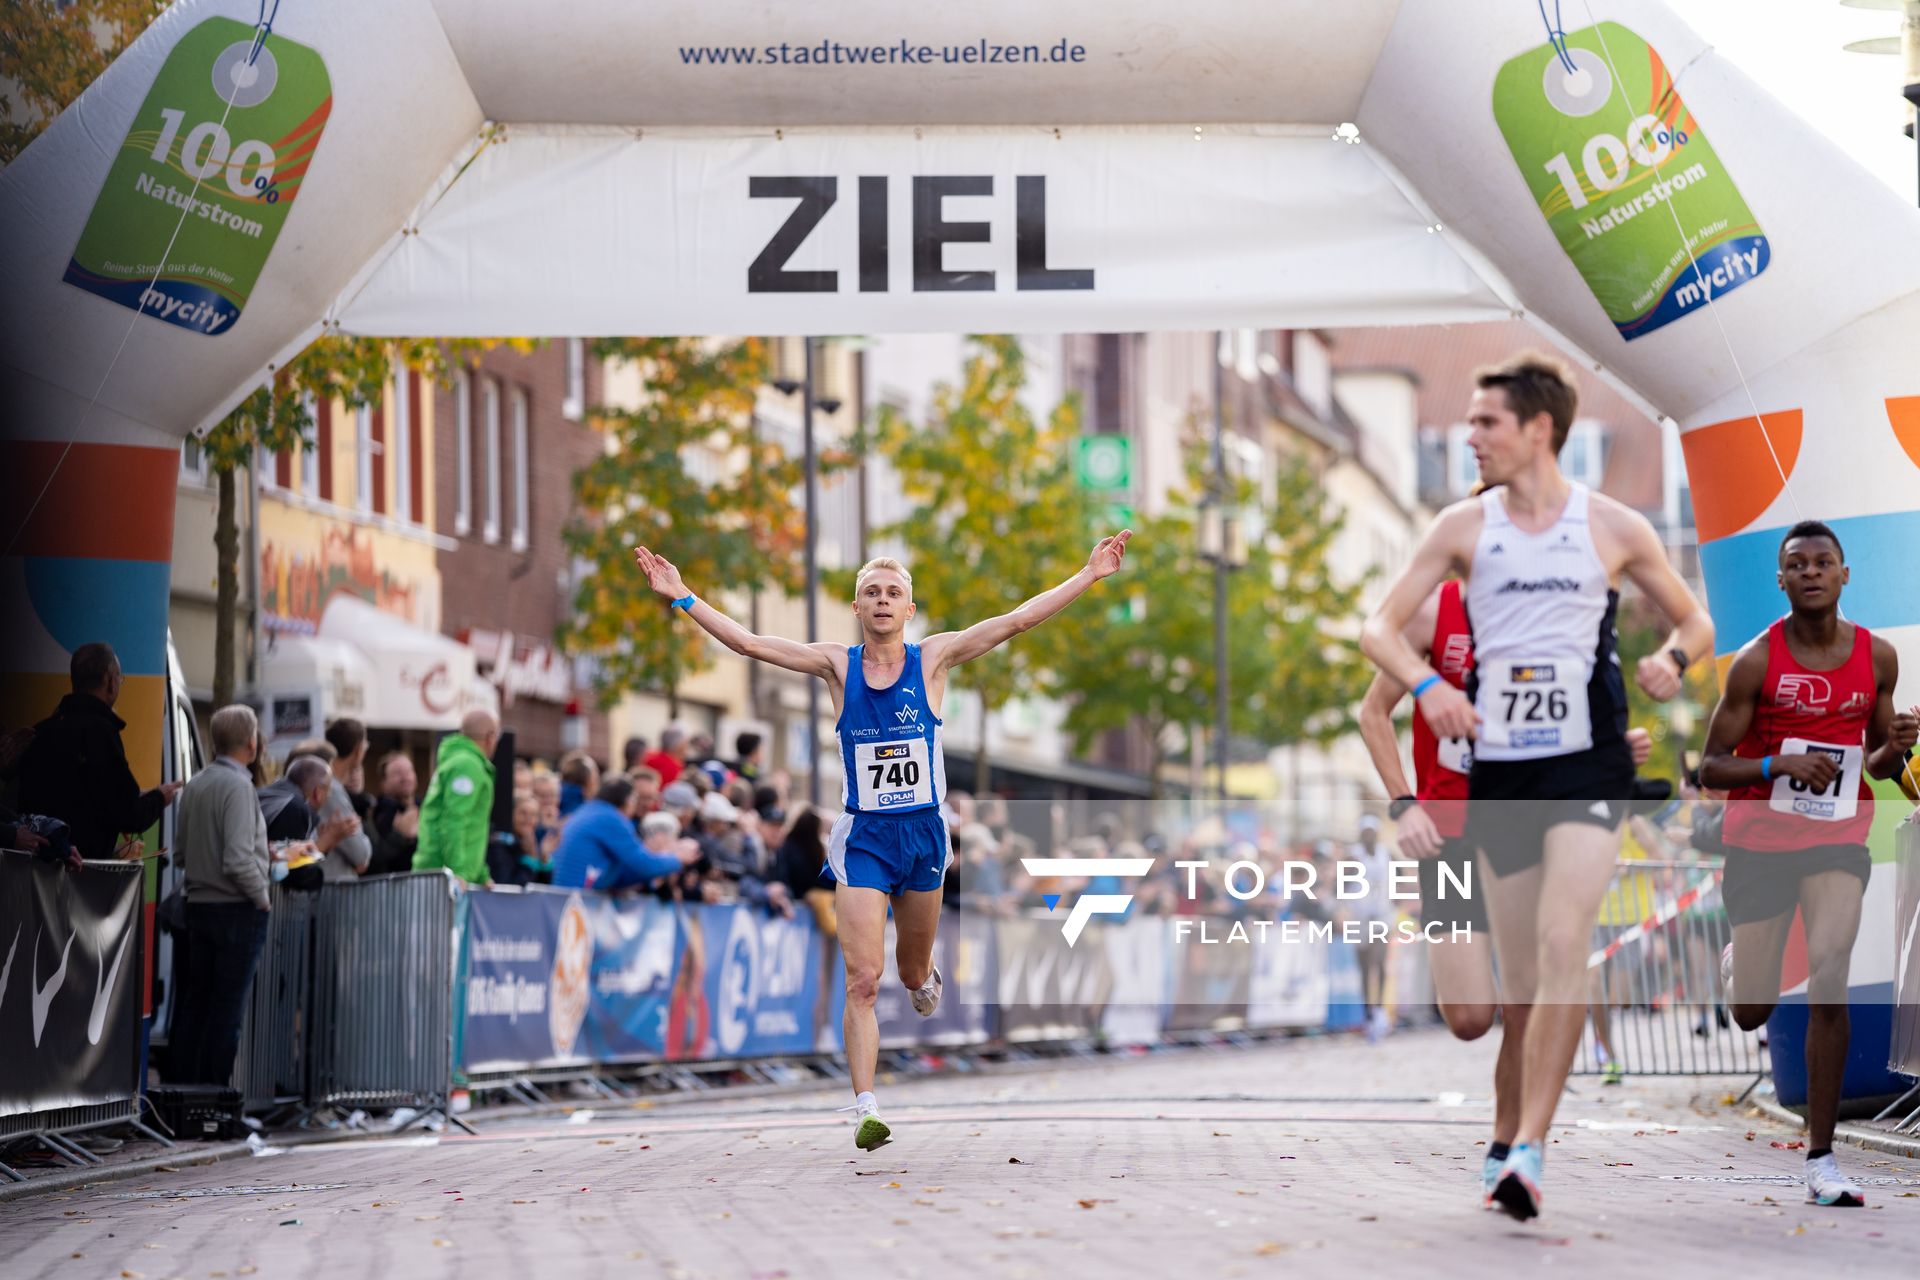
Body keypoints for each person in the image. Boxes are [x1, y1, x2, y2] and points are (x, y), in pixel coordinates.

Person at [635, 530, 1131, 1150]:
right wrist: (682, 596)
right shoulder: (836, 665)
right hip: (865, 835)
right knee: (862, 979)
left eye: (894, 592)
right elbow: (751, 643)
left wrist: (1087, 576)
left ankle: (924, 978)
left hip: (924, 834)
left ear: (909, 610)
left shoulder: (936, 659)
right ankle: (865, 1106)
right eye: (871, 592)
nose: (882, 601)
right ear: (857, 607)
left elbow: (1015, 622)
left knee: (909, 970)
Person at [1360, 351, 1712, 1220]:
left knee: (1565, 946)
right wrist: (1428, 714)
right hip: (1462, 813)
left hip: (1583, 771)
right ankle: (1513, 1135)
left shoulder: (1614, 526)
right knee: (1484, 1009)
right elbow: (1376, 646)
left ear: (1538, 430)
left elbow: (1694, 619)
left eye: (1485, 423)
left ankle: (1523, 1146)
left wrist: (1669, 660)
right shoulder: (1458, 541)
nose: (1468, 437)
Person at [1699, 520, 1918, 1208]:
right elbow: (1709, 766)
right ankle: (1742, 961)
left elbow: (1881, 765)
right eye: (1798, 564)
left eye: (1825, 563)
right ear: (1782, 579)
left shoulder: (1877, 658)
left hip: (1835, 839)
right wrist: (1776, 763)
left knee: (1831, 969)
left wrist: (1902, 741)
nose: (1813, 572)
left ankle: (1822, 1158)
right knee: (1749, 1010)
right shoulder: (1756, 662)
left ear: (1845, 575)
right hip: (1759, 842)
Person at [170, 704, 281, 1085]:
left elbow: (181, 853)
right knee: (226, 1010)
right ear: (252, 743)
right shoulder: (238, 787)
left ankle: (185, 1095)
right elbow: (237, 859)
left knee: (194, 1005)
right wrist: (262, 896)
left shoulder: (196, 783)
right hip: (235, 909)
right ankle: (215, 1098)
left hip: (197, 905)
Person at [16, 642, 181, 860]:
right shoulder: (101, 734)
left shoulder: (41, 731)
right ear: (110, 681)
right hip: (80, 873)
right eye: (119, 678)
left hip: (33, 869)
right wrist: (159, 797)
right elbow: (127, 812)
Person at [551, 776, 699, 893]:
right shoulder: (610, 818)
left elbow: (620, 874)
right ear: (628, 801)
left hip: (569, 897)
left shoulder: (588, 811)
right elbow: (644, 864)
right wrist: (678, 858)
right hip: (579, 900)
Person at [413, 710, 499, 886]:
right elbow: (454, 820)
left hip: (443, 875)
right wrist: (457, 871)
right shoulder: (467, 765)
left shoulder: (459, 761)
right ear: (490, 737)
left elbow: (471, 825)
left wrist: (481, 873)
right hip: (445, 880)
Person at [319, 718, 373, 879]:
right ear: (357, 750)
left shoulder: (331, 786)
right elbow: (361, 854)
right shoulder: (331, 790)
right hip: (332, 892)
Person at [369, 751, 421, 874]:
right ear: (383, 783)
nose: (405, 778)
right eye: (397, 773)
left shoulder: (425, 807)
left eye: (408, 772)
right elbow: (376, 858)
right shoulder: (378, 813)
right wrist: (401, 835)